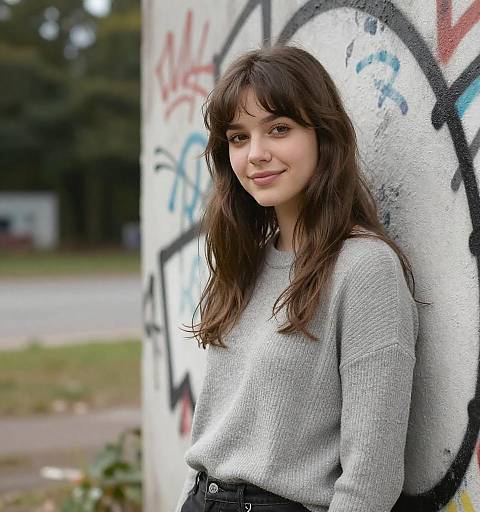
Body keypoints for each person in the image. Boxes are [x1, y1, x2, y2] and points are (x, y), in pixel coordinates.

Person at [176, 44, 420, 512]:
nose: (256, 154)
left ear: (322, 135)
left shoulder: (364, 268)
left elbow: (371, 478)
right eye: (238, 137)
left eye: (279, 129)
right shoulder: (245, 262)